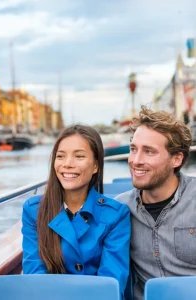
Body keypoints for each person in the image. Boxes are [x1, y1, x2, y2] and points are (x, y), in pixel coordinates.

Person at [22, 124, 131, 298]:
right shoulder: (33, 211)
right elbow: (35, 275)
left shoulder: (116, 214)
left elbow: (112, 283)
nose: (67, 164)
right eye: (60, 156)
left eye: (79, 156)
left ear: (95, 166)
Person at [116, 106, 194, 300]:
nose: (136, 160)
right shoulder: (119, 209)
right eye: (133, 149)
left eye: (149, 152)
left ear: (176, 159)